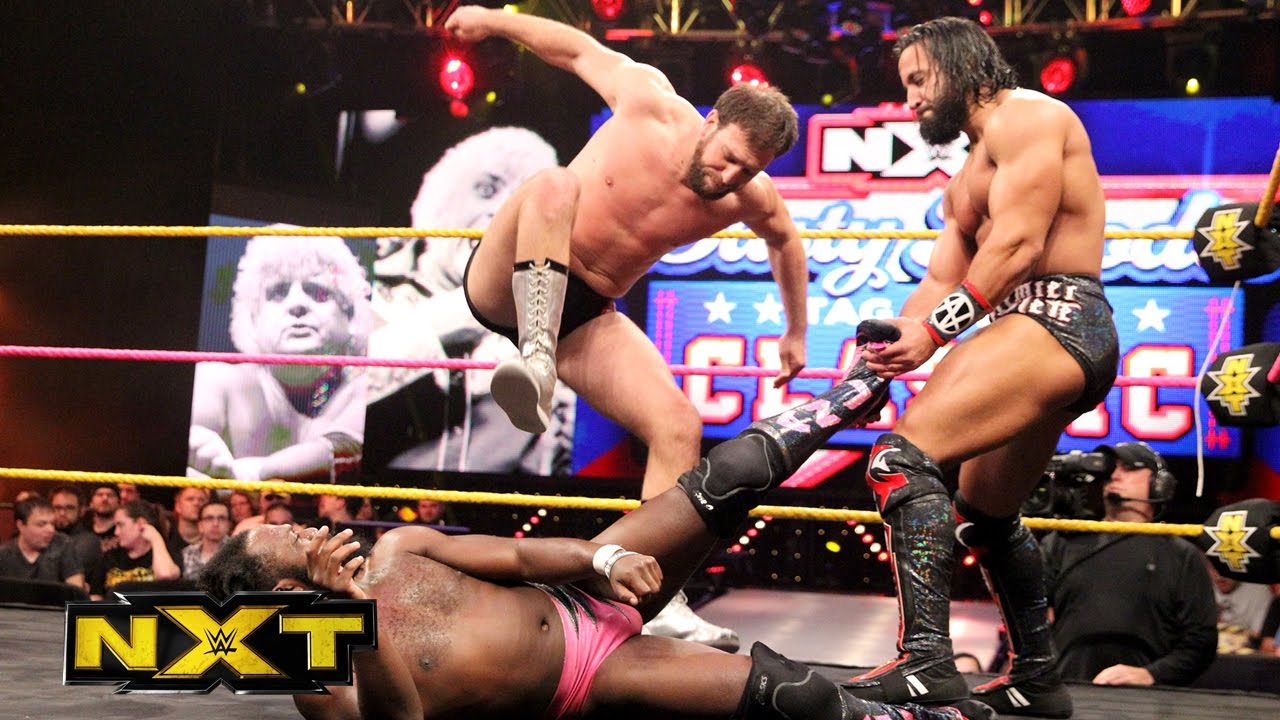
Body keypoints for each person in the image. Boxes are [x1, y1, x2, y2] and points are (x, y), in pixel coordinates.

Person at [201, 327, 991, 720]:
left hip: (580, 593)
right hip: (588, 674)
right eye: (293, 543)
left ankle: (855, 389)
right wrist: (354, 615)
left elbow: (515, 560)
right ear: (281, 592)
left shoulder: (401, 545)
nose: (311, 531)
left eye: (297, 526)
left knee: (723, 481)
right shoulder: (319, 676)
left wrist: (601, 558)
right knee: (790, 694)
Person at [446, 5, 809, 650]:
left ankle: (658, 600)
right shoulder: (648, 102)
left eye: (748, 171)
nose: (730, 176)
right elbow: (572, 49)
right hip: (508, 279)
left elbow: (786, 241)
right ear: (710, 121)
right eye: (728, 157)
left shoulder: (746, 197)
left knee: (677, 424)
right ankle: (534, 361)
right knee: (554, 184)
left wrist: (795, 332)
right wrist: (490, 18)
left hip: (585, 314)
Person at [843, 17, 1119, 719]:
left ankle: (926, 661)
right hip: (1029, 329)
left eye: (918, 80)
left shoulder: (1028, 116)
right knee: (984, 517)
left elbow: (1021, 243)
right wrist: (876, 363)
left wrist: (936, 333)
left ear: (959, 62)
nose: (910, 98)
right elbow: (940, 280)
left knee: (902, 460)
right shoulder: (965, 178)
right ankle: (1036, 677)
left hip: (1059, 316)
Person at [365, 126, 571, 476]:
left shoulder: (546, 319)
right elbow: (321, 398)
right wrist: (433, 330)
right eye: (487, 190)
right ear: (440, 201)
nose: (502, 214)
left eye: (522, 205)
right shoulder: (362, 279)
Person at [188, 233, 372, 485]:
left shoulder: (366, 389)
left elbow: (345, 448)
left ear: (350, 315)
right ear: (253, 320)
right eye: (278, 292)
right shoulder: (217, 381)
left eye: (317, 292)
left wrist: (252, 474)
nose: (297, 304)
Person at [1040, 442, 1217, 687]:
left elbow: (1201, 642)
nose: (1114, 475)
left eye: (1129, 468)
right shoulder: (1063, 541)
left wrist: (1151, 674)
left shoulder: (1180, 555)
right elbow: (1025, 613)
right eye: (1111, 468)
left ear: (1158, 484)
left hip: (1145, 700)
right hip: (1069, 689)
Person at [88, 500, 181, 600]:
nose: (116, 532)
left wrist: (156, 538)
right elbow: (95, 596)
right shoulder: (110, 557)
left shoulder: (167, 554)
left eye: (120, 525)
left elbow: (165, 575)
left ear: (140, 524)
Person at [0, 497, 86, 593]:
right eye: (41, 524)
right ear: (20, 525)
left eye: (52, 524)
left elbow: (75, 592)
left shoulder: (63, 544)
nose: (51, 530)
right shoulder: (4, 555)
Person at [180, 500, 232, 583]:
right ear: (200, 526)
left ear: (228, 525)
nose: (215, 524)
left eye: (221, 518)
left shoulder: (239, 553)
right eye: (209, 518)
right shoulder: (187, 553)